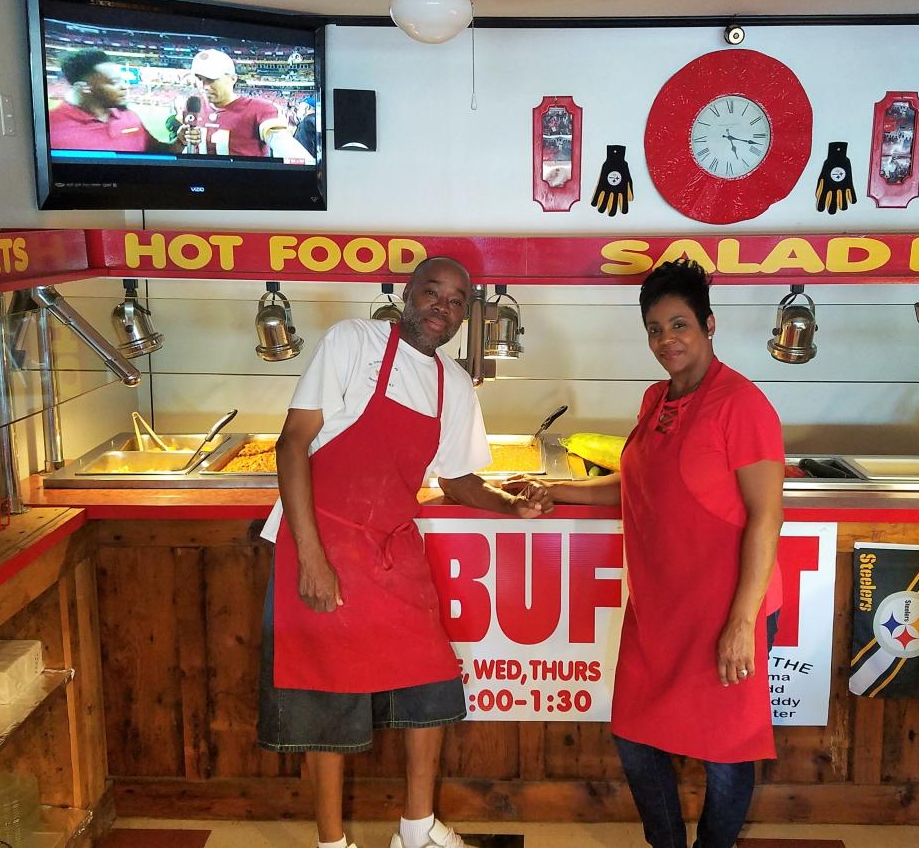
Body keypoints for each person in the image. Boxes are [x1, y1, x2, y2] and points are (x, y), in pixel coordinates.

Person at [258, 257, 544, 848]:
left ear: (466, 315)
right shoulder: (353, 342)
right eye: (432, 291)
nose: (442, 305)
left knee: (432, 678)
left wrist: (509, 505)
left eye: (457, 299)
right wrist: (311, 559)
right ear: (408, 294)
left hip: (390, 547)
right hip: (323, 539)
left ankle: (417, 828)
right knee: (325, 693)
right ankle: (331, 840)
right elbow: (293, 444)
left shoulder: (455, 384)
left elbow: (460, 482)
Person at [514, 258, 785, 848]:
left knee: (726, 756)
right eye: (656, 329)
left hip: (724, 606)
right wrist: (553, 489)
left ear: (709, 325)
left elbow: (767, 516)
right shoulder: (655, 401)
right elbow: (637, 483)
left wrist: (742, 622)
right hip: (661, 606)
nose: (667, 340)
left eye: (680, 325)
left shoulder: (741, 404)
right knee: (635, 739)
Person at [182, 49, 312, 161]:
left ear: (233, 79)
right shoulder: (194, 105)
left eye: (211, 79)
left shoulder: (260, 109)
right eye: (200, 79)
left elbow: (287, 147)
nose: (204, 86)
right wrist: (180, 140)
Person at [48, 49, 180, 153]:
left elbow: (156, 155)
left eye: (122, 80)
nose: (124, 87)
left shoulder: (130, 117)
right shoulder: (52, 126)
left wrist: (180, 141)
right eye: (114, 82)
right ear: (85, 87)